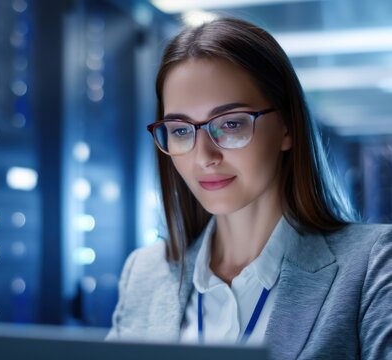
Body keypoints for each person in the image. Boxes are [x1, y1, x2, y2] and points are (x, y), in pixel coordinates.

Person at [106, 17, 392, 359]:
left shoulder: (371, 265)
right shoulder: (145, 273)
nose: (204, 156)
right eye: (181, 130)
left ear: (287, 126)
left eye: (230, 124)